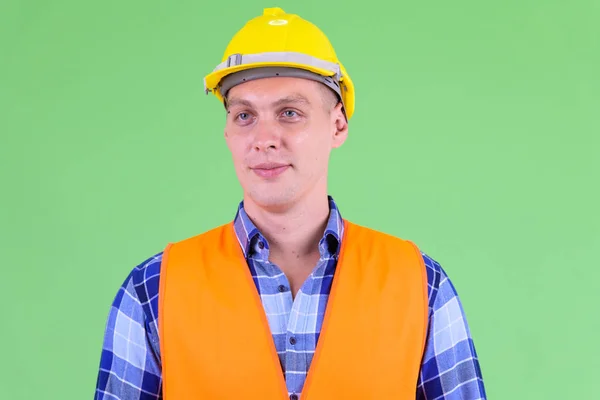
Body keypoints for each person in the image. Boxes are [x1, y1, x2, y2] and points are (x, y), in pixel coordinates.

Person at [94, 7, 487, 400]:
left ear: (338, 126)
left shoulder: (421, 286)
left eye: (289, 113)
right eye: (245, 115)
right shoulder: (153, 291)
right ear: (228, 132)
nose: (264, 138)